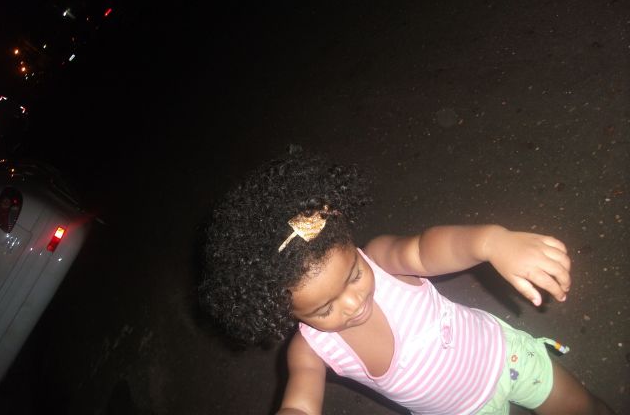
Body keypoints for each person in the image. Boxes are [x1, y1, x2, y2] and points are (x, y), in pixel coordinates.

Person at [199, 152, 615, 415]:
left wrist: (490, 242)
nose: (352, 302)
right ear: (280, 312)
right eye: (324, 309)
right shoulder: (311, 350)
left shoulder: (381, 259)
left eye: (353, 276)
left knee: (581, 407)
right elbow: (301, 402)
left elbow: (427, 248)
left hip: (506, 356)